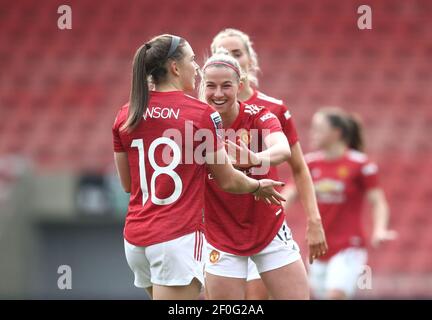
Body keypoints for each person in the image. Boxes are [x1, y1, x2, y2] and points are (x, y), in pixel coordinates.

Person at [112, 34, 285, 300]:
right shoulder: (201, 115)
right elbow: (228, 180)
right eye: (193, 59)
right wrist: (257, 185)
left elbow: (127, 184)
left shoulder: (127, 113)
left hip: (136, 240)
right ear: (175, 67)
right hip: (175, 237)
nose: (197, 67)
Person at [210, 28, 327, 299]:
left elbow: (298, 167)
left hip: (265, 223)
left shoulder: (273, 109)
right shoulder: (204, 113)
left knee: (259, 297)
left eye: (237, 53)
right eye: (222, 53)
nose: (231, 58)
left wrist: (314, 219)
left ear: (251, 59)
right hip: (222, 227)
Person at [282, 107, 397, 299]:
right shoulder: (309, 164)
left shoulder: (360, 164)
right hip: (318, 247)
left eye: (318, 129)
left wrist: (379, 229)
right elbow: (288, 195)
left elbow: (378, 201)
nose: (313, 134)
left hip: (349, 247)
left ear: (337, 132)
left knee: (335, 295)